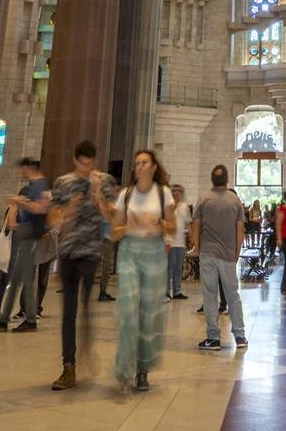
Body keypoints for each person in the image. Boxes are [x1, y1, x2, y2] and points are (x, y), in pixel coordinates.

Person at [48, 140, 118, 390]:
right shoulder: (63, 183)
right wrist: (72, 207)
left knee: (86, 305)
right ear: (75, 161)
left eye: (91, 164)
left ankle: (87, 346)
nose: (87, 168)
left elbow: (112, 214)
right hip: (67, 252)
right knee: (69, 311)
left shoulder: (105, 181)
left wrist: (97, 194)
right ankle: (69, 366)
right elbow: (54, 219)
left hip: (91, 252)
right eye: (83, 163)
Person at [106, 149, 173, 392]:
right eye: (136, 163)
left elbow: (173, 229)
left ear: (154, 166)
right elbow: (113, 233)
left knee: (148, 314)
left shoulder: (163, 194)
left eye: (144, 162)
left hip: (154, 254)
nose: (140, 166)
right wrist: (127, 226)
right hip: (129, 252)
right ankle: (124, 369)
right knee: (127, 310)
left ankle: (143, 369)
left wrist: (157, 223)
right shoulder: (126, 194)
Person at [193, 165, 248, 350]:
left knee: (210, 296)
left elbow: (195, 226)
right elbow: (240, 228)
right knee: (233, 295)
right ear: (226, 180)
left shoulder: (203, 198)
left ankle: (213, 338)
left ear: (212, 179)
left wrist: (197, 248)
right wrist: (237, 250)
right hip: (228, 255)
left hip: (208, 253)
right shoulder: (235, 200)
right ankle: (240, 336)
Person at [0, 158, 49, 331]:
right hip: (26, 234)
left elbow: (41, 208)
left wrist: (20, 202)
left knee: (22, 279)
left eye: (22, 169)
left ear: (29, 168)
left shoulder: (39, 186)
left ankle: (23, 319)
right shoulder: (35, 185)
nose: (20, 173)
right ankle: (8, 318)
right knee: (20, 278)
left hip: (30, 234)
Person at [167, 183, 192, 299]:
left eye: (179, 191)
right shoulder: (167, 205)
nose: (176, 193)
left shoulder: (185, 207)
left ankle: (177, 291)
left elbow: (188, 224)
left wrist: (192, 238)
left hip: (180, 242)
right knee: (169, 267)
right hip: (169, 241)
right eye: (174, 191)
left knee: (178, 267)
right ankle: (166, 291)